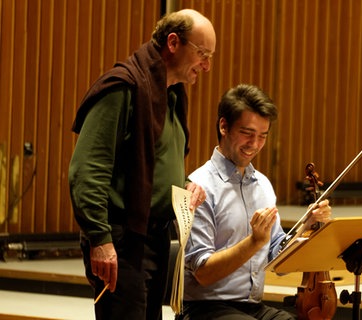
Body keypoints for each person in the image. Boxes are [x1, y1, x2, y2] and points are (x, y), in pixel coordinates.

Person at [68, 9, 214, 320]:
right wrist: (100, 240)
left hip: (155, 238)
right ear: (173, 42)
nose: (207, 65)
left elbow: (157, 161)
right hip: (121, 240)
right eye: (202, 53)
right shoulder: (123, 88)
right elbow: (87, 170)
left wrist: (183, 183)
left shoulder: (172, 95)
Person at [176, 84, 333, 320]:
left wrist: (307, 225)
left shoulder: (263, 185)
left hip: (253, 307)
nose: (255, 144)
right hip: (205, 308)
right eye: (247, 133)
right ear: (223, 126)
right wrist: (254, 241)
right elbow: (203, 273)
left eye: (262, 136)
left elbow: (277, 257)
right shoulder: (198, 186)